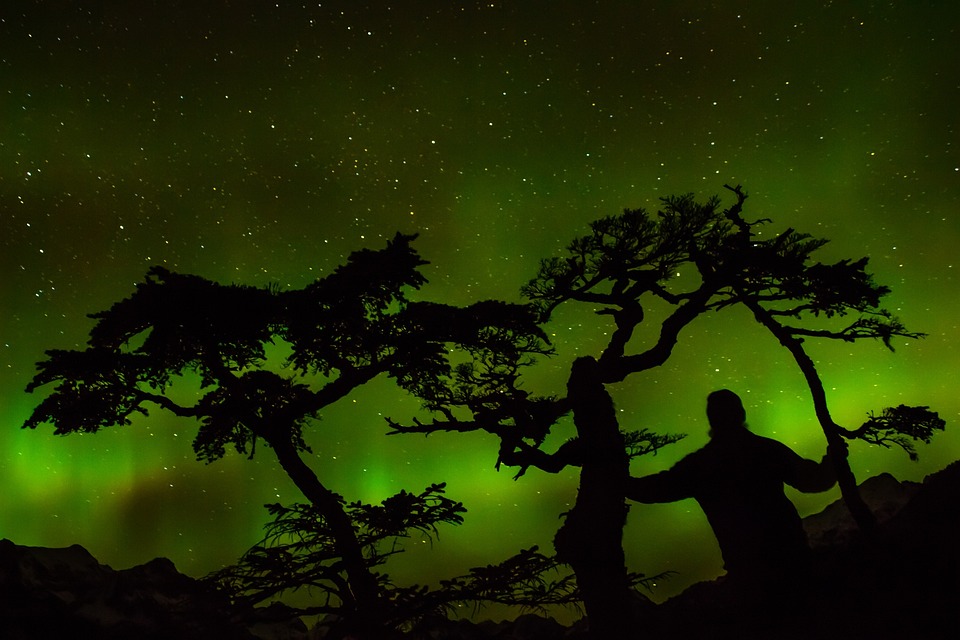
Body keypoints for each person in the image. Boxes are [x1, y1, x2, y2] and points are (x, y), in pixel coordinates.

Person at [625, 389, 845, 596]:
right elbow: (815, 481)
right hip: (791, 556)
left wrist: (616, 481)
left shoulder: (701, 465)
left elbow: (653, 490)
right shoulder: (766, 450)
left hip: (748, 570)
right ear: (741, 413)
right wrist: (833, 458)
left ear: (712, 419)